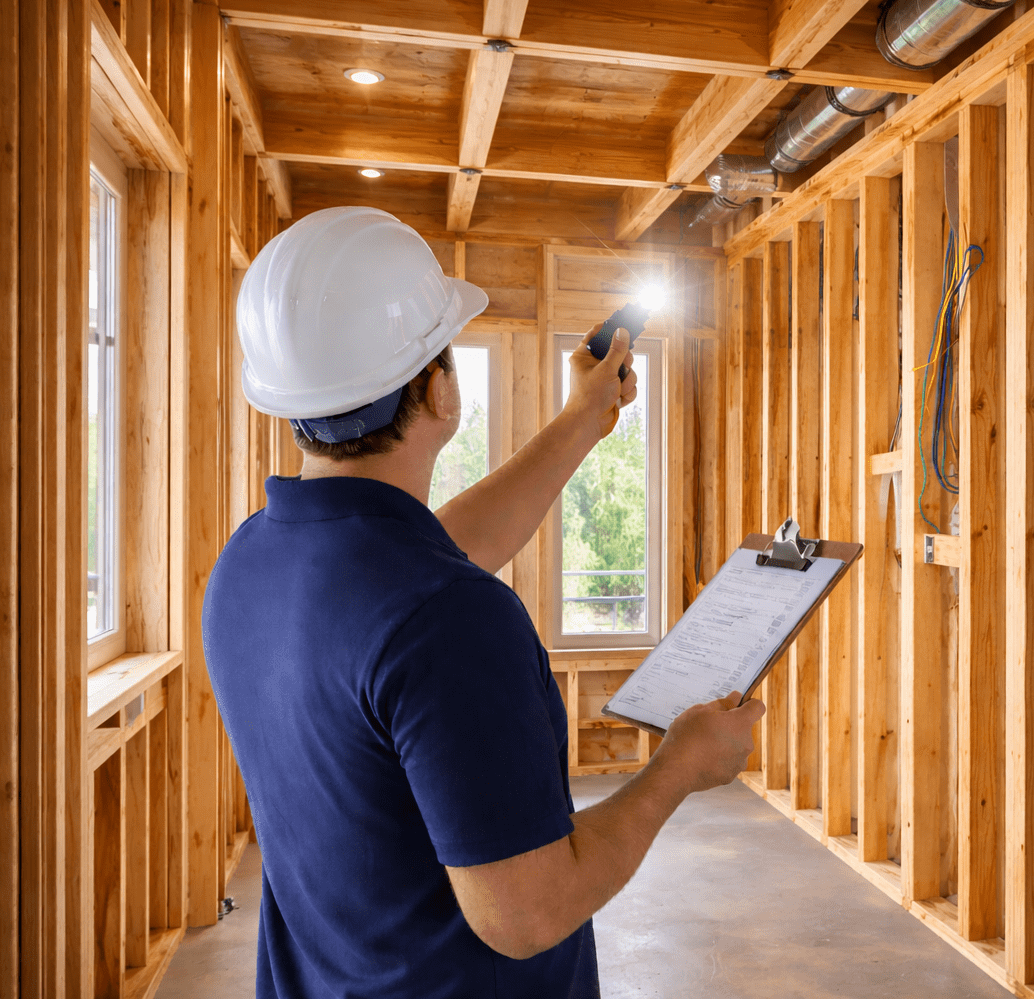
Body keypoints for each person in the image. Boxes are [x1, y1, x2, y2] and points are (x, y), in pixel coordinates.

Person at [203, 207, 765, 999]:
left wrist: (583, 419)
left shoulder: (253, 559)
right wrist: (679, 767)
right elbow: (527, 915)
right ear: (439, 389)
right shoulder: (448, 618)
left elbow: (431, 558)